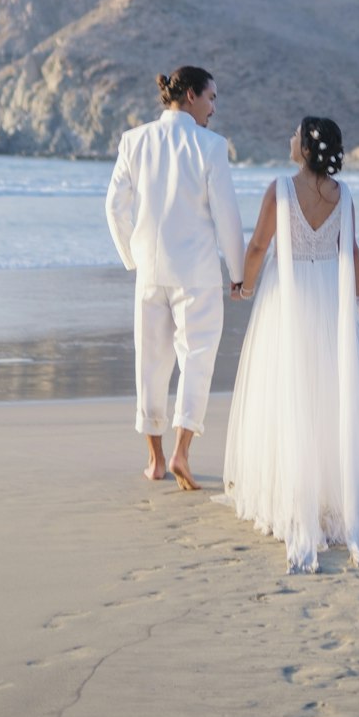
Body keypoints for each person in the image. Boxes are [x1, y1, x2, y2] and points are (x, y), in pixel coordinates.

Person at [219, 116, 359, 571]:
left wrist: (243, 285)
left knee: (288, 388)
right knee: (334, 392)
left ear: (306, 147)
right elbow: (350, 251)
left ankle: (296, 490)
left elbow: (257, 246)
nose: (290, 138)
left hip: (289, 300)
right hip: (332, 300)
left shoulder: (279, 189)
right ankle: (336, 489)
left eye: (295, 134)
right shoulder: (344, 195)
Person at [106, 65, 245, 490]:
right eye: (211, 98)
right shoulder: (211, 146)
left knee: (149, 363)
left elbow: (114, 206)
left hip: (150, 273)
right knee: (196, 360)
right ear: (190, 96)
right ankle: (183, 451)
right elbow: (226, 216)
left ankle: (155, 460)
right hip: (197, 274)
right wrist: (238, 274)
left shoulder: (134, 140)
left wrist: (133, 258)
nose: (214, 108)